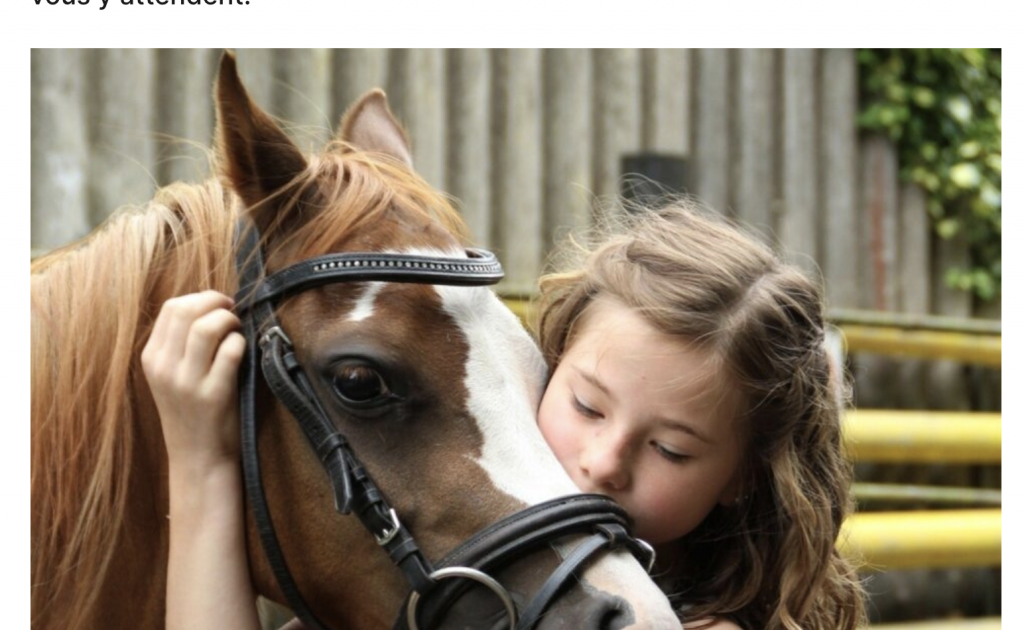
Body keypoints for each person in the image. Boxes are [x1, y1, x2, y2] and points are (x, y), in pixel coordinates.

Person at [142, 200, 865, 630]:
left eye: (671, 450)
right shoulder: (448, 575)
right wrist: (201, 454)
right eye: (585, 405)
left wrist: (203, 474)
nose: (604, 461)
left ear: (742, 475)